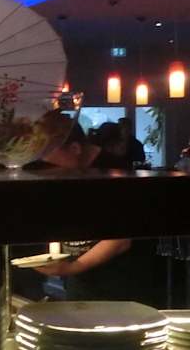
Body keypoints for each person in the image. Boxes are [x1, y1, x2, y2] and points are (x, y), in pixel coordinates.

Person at [35, 121, 155, 303]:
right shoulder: (68, 173)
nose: (49, 170)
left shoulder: (114, 172)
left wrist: (73, 267)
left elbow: (121, 240)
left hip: (118, 284)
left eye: (52, 163)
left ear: (75, 149)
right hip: (78, 281)